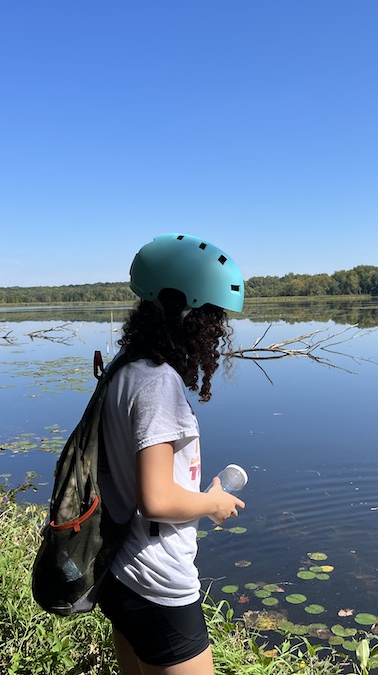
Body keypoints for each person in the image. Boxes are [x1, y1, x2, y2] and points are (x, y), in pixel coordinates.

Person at [98, 233, 247, 674]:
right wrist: (214, 503)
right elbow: (158, 500)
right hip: (157, 582)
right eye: (212, 317)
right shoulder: (157, 383)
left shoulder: (124, 367)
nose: (216, 330)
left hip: (118, 572)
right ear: (186, 312)